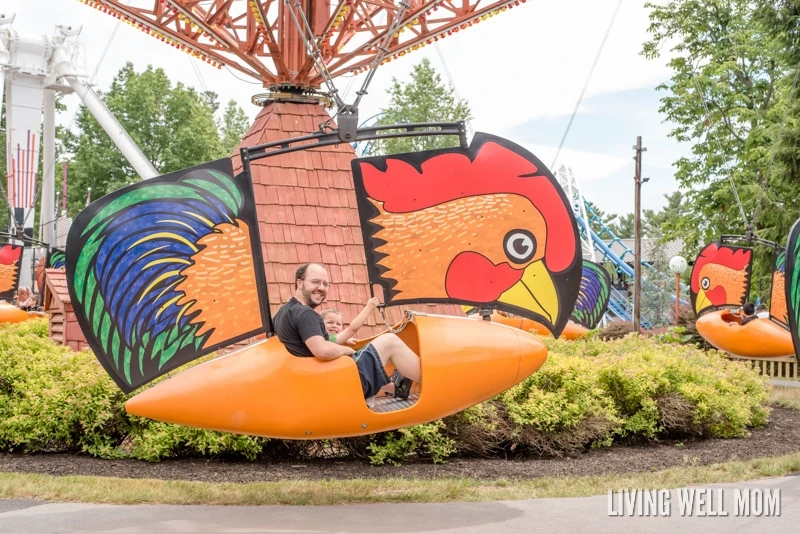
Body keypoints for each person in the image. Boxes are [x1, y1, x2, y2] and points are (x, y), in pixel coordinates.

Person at [272, 263, 420, 400]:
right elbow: (322, 350)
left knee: (375, 347)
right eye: (315, 282)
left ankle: (397, 387)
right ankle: (435, 379)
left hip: (319, 380)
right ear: (300, 283)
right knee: (390, 341)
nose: (322, 288)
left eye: (325, 284)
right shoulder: (305, 314)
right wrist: (346, 350)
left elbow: (309, 342)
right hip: (341, 380)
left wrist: (339, 342)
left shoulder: (282, 313)